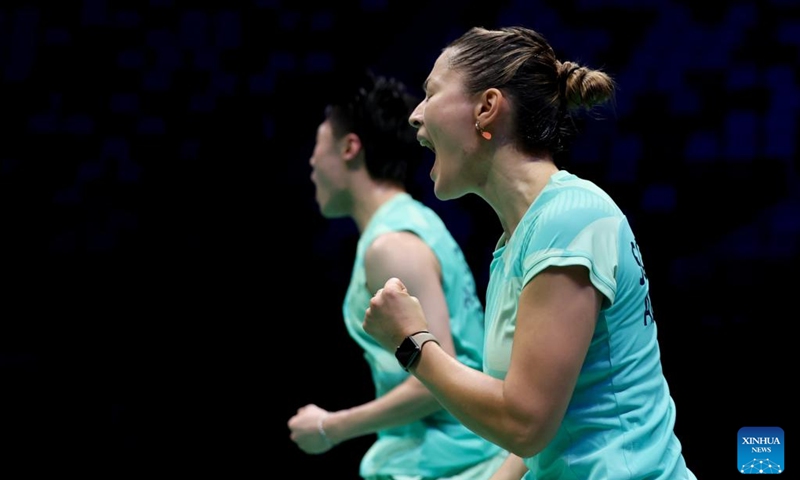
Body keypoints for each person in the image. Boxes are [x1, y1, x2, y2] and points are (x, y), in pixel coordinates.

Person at [363, 26, 697, 480]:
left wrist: (413, 343)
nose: (415, 116)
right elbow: (544, 424)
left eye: (431, 93)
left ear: (487, 108)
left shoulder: (570, 218)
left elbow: (526, 422)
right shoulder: (517, 242)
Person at [287, 70, 508, 479]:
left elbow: (433, 376)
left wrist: (329, 427)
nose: (312, 166)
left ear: (350, 148)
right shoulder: (405, 224)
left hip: (458, 462)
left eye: (317, 150)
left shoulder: (392, 244)